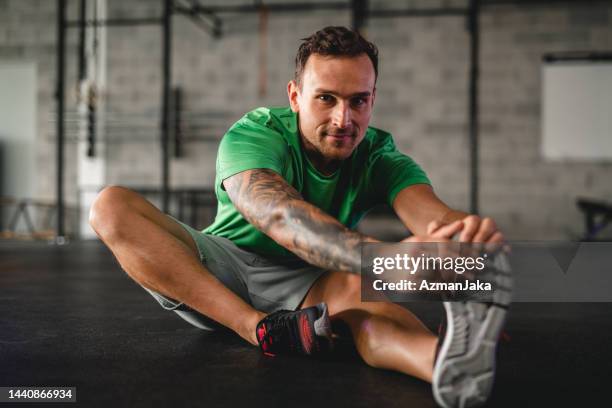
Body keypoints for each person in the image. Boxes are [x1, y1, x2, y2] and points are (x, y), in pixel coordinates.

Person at [89, 26, 510, 408]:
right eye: (326, 98)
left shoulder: (381, 157)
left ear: (373, 100)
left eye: (358, 101)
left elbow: (431, 215)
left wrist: (466, 244)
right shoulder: (258, 132)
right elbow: (276, 215)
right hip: (221, 267)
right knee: (111, 205)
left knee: (372, 314)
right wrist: (384, 262)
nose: (343, 120)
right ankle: (256, 328)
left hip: (313, 283)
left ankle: (447, 363)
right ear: (295, 96)